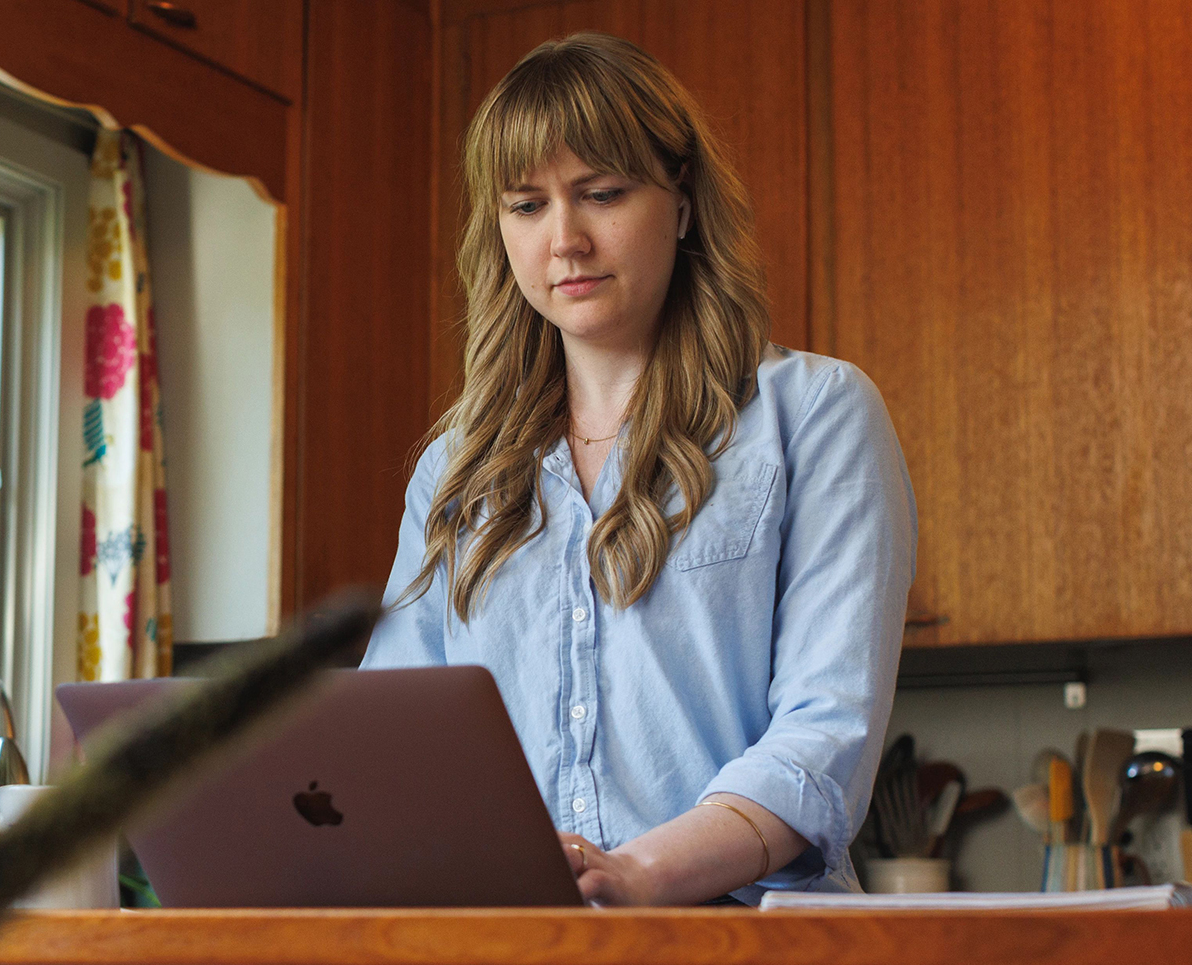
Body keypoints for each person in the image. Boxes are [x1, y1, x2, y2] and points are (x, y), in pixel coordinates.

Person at [362, 32, 916, 906]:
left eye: (602, 194)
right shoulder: (454, 471)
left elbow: (825, 735)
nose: (565, 241)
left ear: (684, 202)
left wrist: (638, 874)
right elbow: (392, 747)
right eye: (526, 206)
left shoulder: (814, 415)